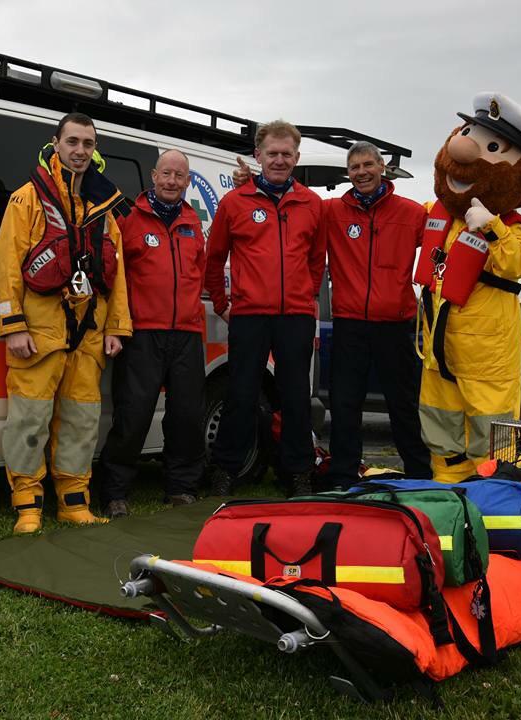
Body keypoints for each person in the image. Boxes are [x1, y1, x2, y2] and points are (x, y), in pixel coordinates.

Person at [417, 92, 521, 482]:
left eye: (492, 146)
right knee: (441, 425)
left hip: (486, 358)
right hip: (440, 349)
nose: (462, 148)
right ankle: (446, 495)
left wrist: (491, 224)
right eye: (467, 133)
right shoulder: (442, 218)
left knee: (492, 434)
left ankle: (493, 504)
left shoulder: (511, 227)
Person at [0, 112, 132, 533]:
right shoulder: (27, 199)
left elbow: (118, 273)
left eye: (88, 144)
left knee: (81, 420)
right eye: (72, 142)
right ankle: (27, 504)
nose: (80, 151)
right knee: (28, 419)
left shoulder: (104, 207)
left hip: (88, 335)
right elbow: (8, 267)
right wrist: (13, 325)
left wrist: (116, 328)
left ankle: (74, 501)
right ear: (56, 143)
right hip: (39, 333)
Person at [205, 120, 325, 497]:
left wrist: (305, 301)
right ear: (258, 156)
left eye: (286, 154)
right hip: (250, 316)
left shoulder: (312, 203)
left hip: (295, 318)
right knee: (240, 395)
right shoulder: (235, 202)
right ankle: (226, 471)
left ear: (297, 157)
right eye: (271, 153)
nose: (278, 160)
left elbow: (316, 260)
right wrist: (223, 304)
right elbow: (214, 258)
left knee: (294, 399)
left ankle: (298, 474)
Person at [98, 150, 207, 518]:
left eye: (180, 175)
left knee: (188, 416)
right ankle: (115, 493)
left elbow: (200, 273)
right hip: (143, 332)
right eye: (166, 174)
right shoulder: (131, 219)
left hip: (187, 334)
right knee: (133, 414)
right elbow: (114, 276)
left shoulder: (193, 222)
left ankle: (180, 487)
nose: (173, 181)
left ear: (188, 181)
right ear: (154, 177)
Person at [321, 142, 433, 486]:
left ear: (382, 167)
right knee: (344, 405)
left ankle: (419, 475)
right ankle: (343, 477)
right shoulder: (331, 212)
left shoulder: (412, 213)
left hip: (395, 325)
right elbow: (290, 203)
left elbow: (446, 234)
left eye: (368, 164)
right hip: (350, 324)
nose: (362, 172)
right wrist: (244, 181)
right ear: (348, 173)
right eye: (354, 167)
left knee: (403, 406)